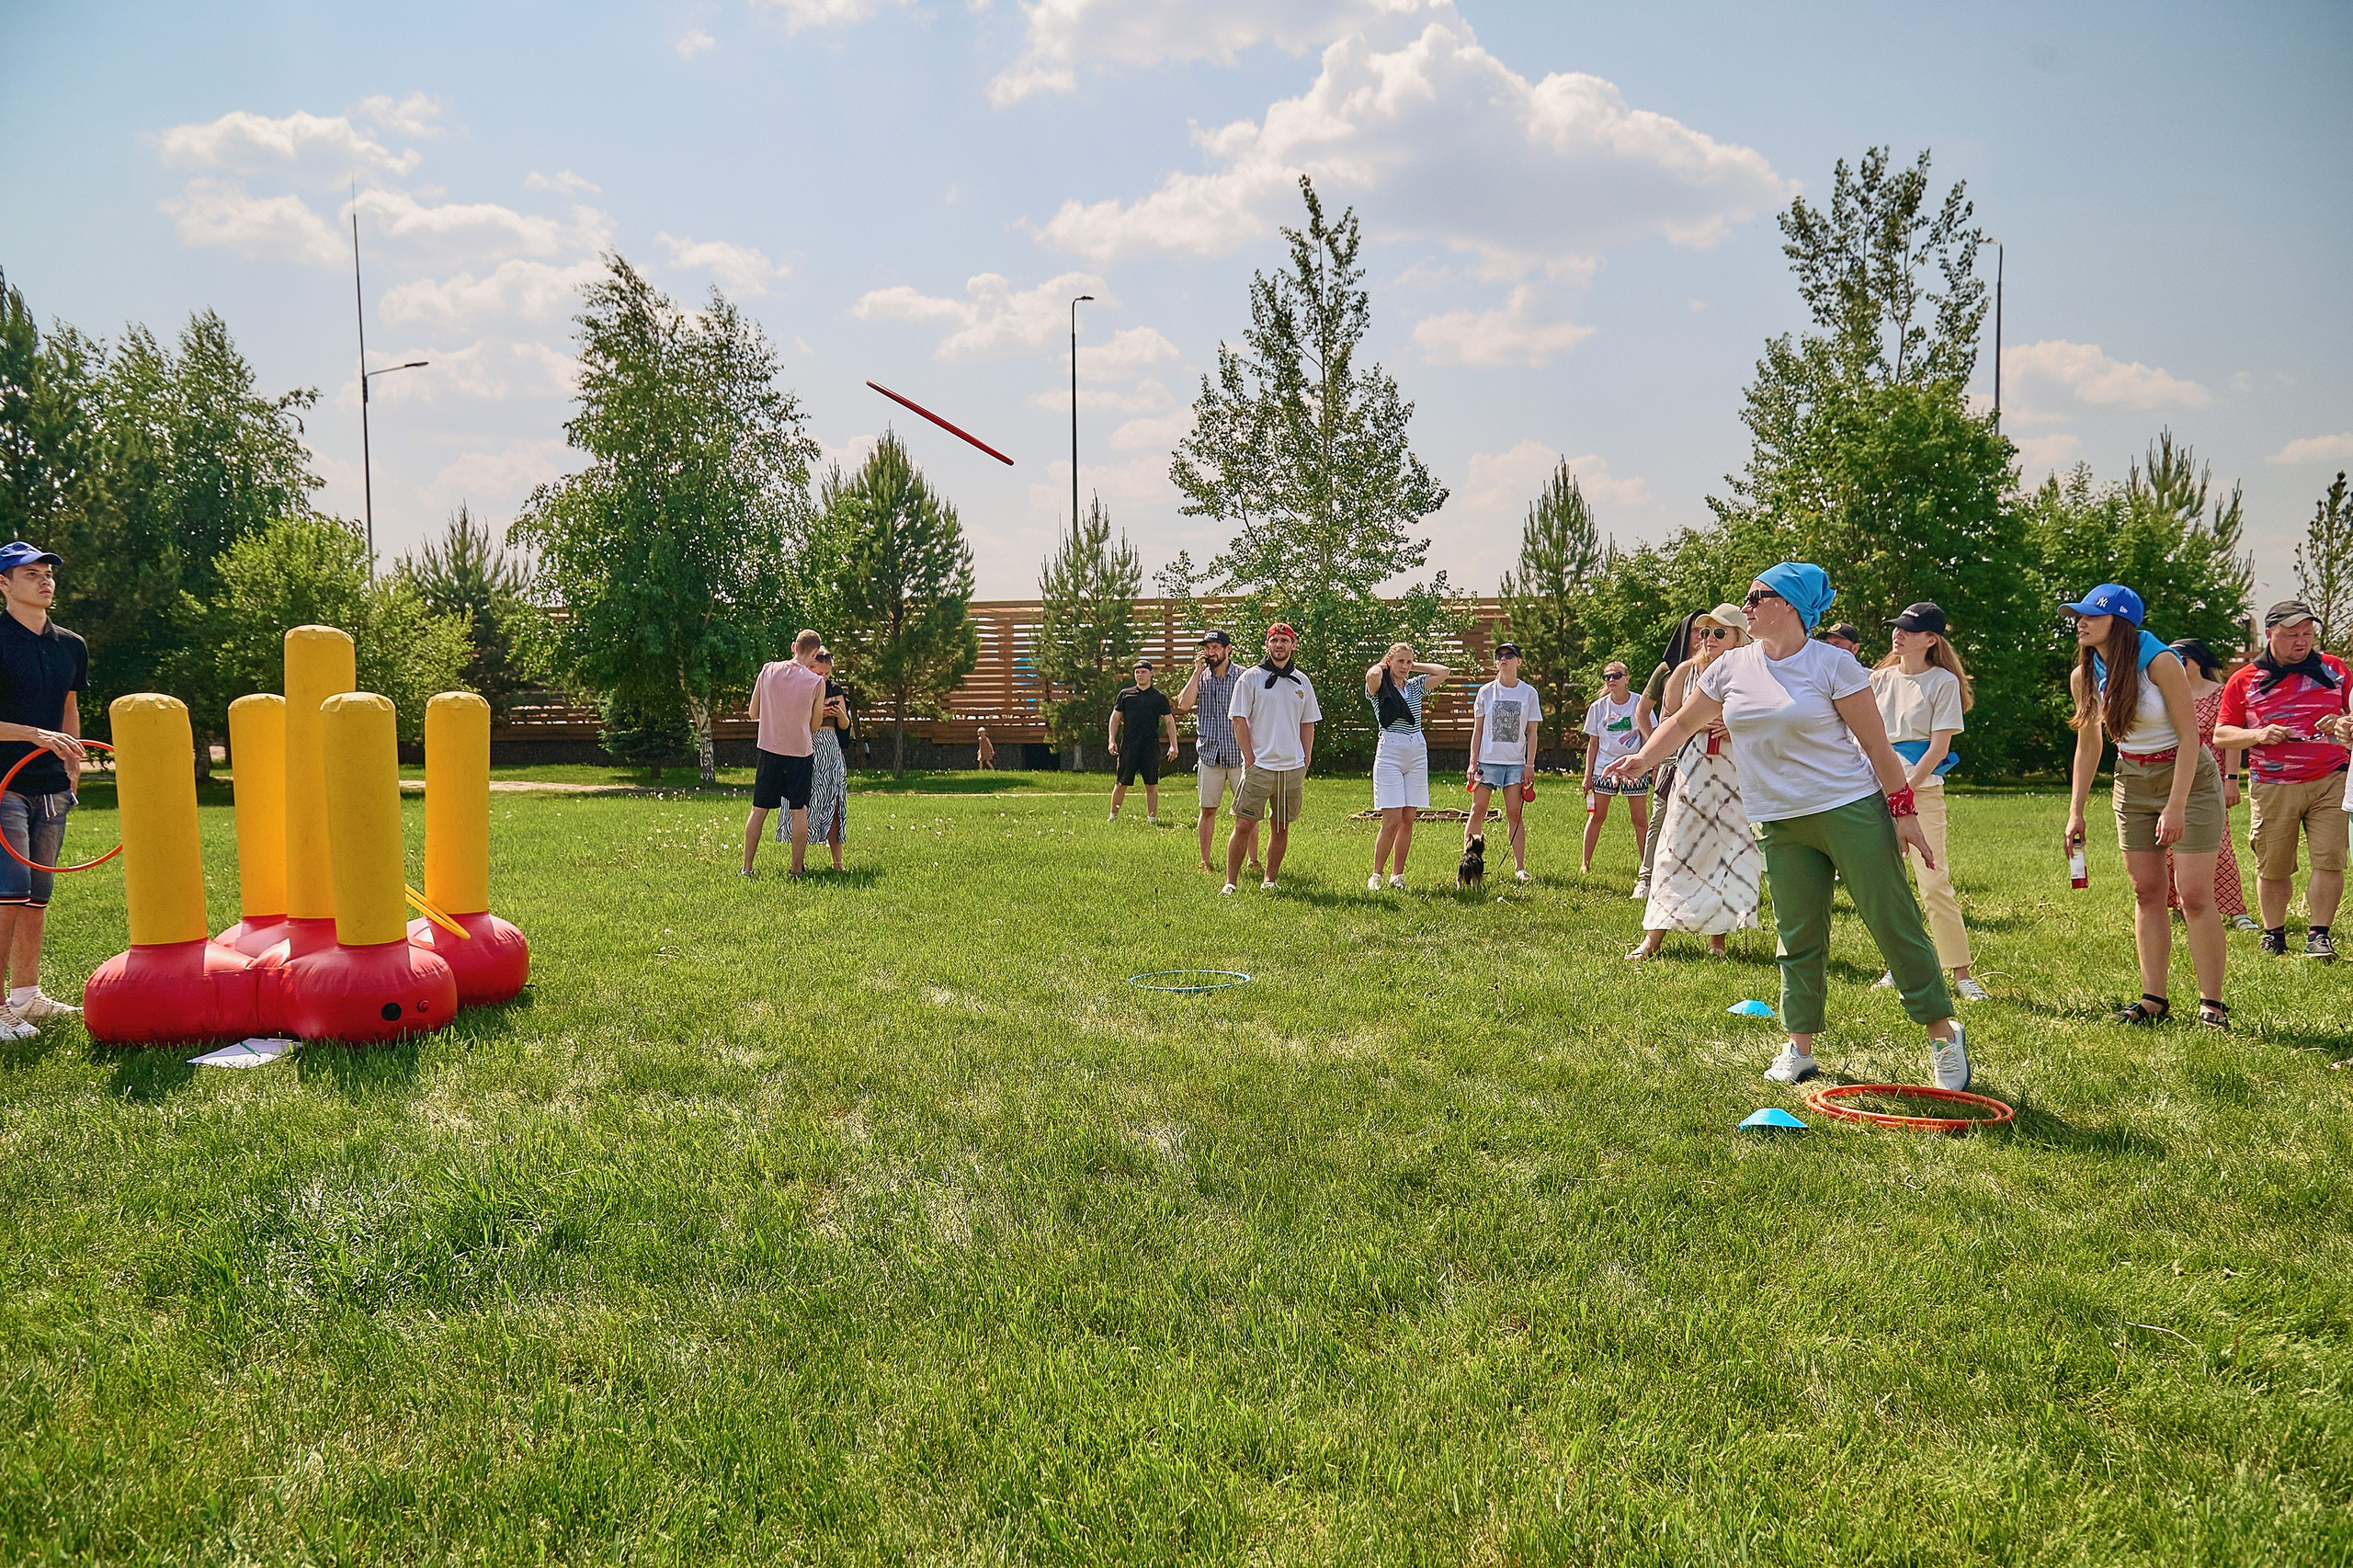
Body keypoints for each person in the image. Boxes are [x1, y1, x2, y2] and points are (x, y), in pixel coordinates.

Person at [1607, 562, 1970, 1091]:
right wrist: (1643, 758)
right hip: (1777, 819)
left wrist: (1903, 811)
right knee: (1797, 935)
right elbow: (1683, 721)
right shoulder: (1730, 667)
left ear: (1791, 606)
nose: (1747, 606)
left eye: (1758, 597)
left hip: (1848, 808)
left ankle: (1942, 1033)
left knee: (1893, 922)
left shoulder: (1833, 665)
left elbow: (1875, 744)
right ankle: (1799, 1047)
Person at [2062, 583, 2229, 1028]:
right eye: (2078, 615)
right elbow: (2088, 744)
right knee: (2146, 891)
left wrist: (2176, 805)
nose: (2080, 623)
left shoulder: (2161, 663)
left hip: (2188, 778)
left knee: (2193, 894)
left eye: (2091, 615)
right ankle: (2154, 998)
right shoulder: (2084, 675)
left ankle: (2212, 1005)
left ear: (2119, 622)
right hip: (2132, 780)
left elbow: (2191, 737)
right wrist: (2076, 811)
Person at [2211, 600, 2352, 960]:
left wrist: (2342, 724)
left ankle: (2319, 936)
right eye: (2291, 634)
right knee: (2273, 864)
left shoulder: (2335, 669)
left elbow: (2351, 716)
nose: (2301, 640)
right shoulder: (2244, 679)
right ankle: (2274, 934)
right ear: (2270, 634)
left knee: (2330, 859)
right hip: (2273, 784)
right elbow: (2222, 734)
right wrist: (2258, 735)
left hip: (2331, 778)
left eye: (2307, 633)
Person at [1868, 602, 1991, 1002]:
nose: (1897, 634)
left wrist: (1904, 790)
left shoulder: (1943, 682)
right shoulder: (1877, 680)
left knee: (1934, 882)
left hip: (1921, 792)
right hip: (1875, 790)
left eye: (1908, 629)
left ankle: (1961, 973)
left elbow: (1939, 748)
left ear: (1931, 640)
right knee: (1889, 886)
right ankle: (1898, 965)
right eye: (1896, 627)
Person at [1627, 603, 1757, 960]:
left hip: (1733, 774)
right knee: (1674, 848)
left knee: (1725, 853)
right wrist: (1651, 755)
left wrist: (1733, 726)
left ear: (1738, 638)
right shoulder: (1685, 672)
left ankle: (1718, 941)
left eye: (1719, 632)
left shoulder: (1752, 673)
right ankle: (1653, 938)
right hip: (1693, 769)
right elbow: (1670, 718)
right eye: (1705, 631)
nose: (1709, 638)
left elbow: (1766, 719)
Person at [0, 541, 86, 1035]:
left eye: (48, 572)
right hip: (4, 784)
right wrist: (32, 734)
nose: (45, 580)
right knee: (7, 894)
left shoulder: (71, 645)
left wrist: (72, 760)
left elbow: (69, 706)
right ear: (4, 584)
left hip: (51, 786)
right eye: (30, 574)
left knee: (36, 894)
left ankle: (26, 997)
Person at [2165, 638, 2259, 932]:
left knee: (2219, 844)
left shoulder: (2219, 693)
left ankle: (2234, 909)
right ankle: (2179, 904)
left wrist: (2231, 780)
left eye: (2182, 659)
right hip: (2170, 777)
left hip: (2211, 777)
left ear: (2198, 661)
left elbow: (2231, 739)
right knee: (2170, 843)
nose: (2177, 664)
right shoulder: (2166, 692)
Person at [1224, 623, 1320, 894]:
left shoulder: (1302, 681)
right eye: (1274, 640)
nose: (1279, 645)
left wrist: (1306, 757)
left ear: (1293, 645)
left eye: (1284, 640)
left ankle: (1270, 880)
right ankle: (1230, 883)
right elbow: (1238, 719)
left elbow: (1308, 722)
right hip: (1260, 767)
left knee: (1280, 827)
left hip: (1291, 768)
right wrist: (1249, 758)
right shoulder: (1250, 678)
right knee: (1244, 824)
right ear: (1267, 644)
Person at [1363, 642, 1453, 890]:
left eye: (1408, 662)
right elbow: (1371, 676)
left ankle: (1398, 875)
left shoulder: (1414, 686)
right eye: (1400, 661)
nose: (1404, 666)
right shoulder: (1382, 686)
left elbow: (1443, 672)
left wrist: (1414, 666)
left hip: (1416, 750)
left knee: (1408, 818)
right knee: (1391, 819)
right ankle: (1377, 875)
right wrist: (1385, 665)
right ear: (1389, 661)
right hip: (1391, 750)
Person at [742, 630, 828, 878]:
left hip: (769, 750)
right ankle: (796, 869)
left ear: (793, 647)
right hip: (799, 754)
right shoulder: (816, 683)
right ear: (815, 653)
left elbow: (753, 713)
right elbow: (814, 725)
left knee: (759, 810)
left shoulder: (768, 670)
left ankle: (747, 867)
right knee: (799, 811)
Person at [1631, 612, 1701, 903]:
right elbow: (1642, 710)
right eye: (1697, 630)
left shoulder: (1721, 666)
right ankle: (1646, 879)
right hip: (1673, 756)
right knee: (1660, 816)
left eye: (1711, 630)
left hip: (1708, 755)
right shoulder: (1668, 670)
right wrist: (1655, 748)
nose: (1704, 636)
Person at [1178, 631, 1256, 877]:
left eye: (1215, 647)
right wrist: (1196, 672)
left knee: (1247, 811)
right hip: (1210, 755)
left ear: (1228, 649)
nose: (1210, 652)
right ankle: (1205, 861)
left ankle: (1253, 861)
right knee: (1208, 809)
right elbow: (1183, 704)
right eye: (1207, 648)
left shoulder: (1243, 676)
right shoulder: (1201, 677)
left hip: (1239, 754)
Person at [1468, 643, 1542, 883]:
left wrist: (1529, 765)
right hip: (1487, 762)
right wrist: (1472, 762)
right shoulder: (1485, 692)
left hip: (1515, 764)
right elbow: (1478, 730)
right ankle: (1469, 863)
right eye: (1499, 655)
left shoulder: (1529, 693)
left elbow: (1532, 732)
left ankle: (1520, 868)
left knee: (1514, 814)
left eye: (1509, 655)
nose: (1503, 659)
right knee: (1478, 810)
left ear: (1519, 661)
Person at [1579, 660, 1646, 876]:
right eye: (1607, 677)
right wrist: (1588, 776)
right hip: (1604, 769)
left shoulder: (1639, 703)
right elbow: (1593, 744)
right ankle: (1585, 864)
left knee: (1639, 820)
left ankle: (1647, 866)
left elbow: (1649, 737)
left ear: (1627, 678)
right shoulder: (1598, 707)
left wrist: (1650, 767)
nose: (1611, 680)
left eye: (1616, 676)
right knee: (1597, 816)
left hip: (1633, 768)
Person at [797, 647, 851, 871]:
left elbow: (845, 725)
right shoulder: (801, 687)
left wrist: (839, 714)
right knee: (803, 804)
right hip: (808, 745)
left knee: (834, 803)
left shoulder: (834, 689)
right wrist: (819, 712)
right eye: (819, 673)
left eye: (827, 674)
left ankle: (837, 863)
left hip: (830, 747)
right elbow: (800, 720)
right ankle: (798, 862)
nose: (823, 678)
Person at [1108, 659, 1177, 824]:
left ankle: (1152, 820)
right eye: (1137, 672)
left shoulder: (1159, 697)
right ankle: (1113, 818)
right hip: (1129, 746)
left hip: (1150, 746)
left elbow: (1169, 721)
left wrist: (1173, 745)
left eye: (1143, 672)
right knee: (1121, 783)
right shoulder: (1125, 695)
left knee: (1151, 784)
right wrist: (1111, 740)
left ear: (1151, 673)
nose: (1140, 675)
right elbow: (1115, 718)